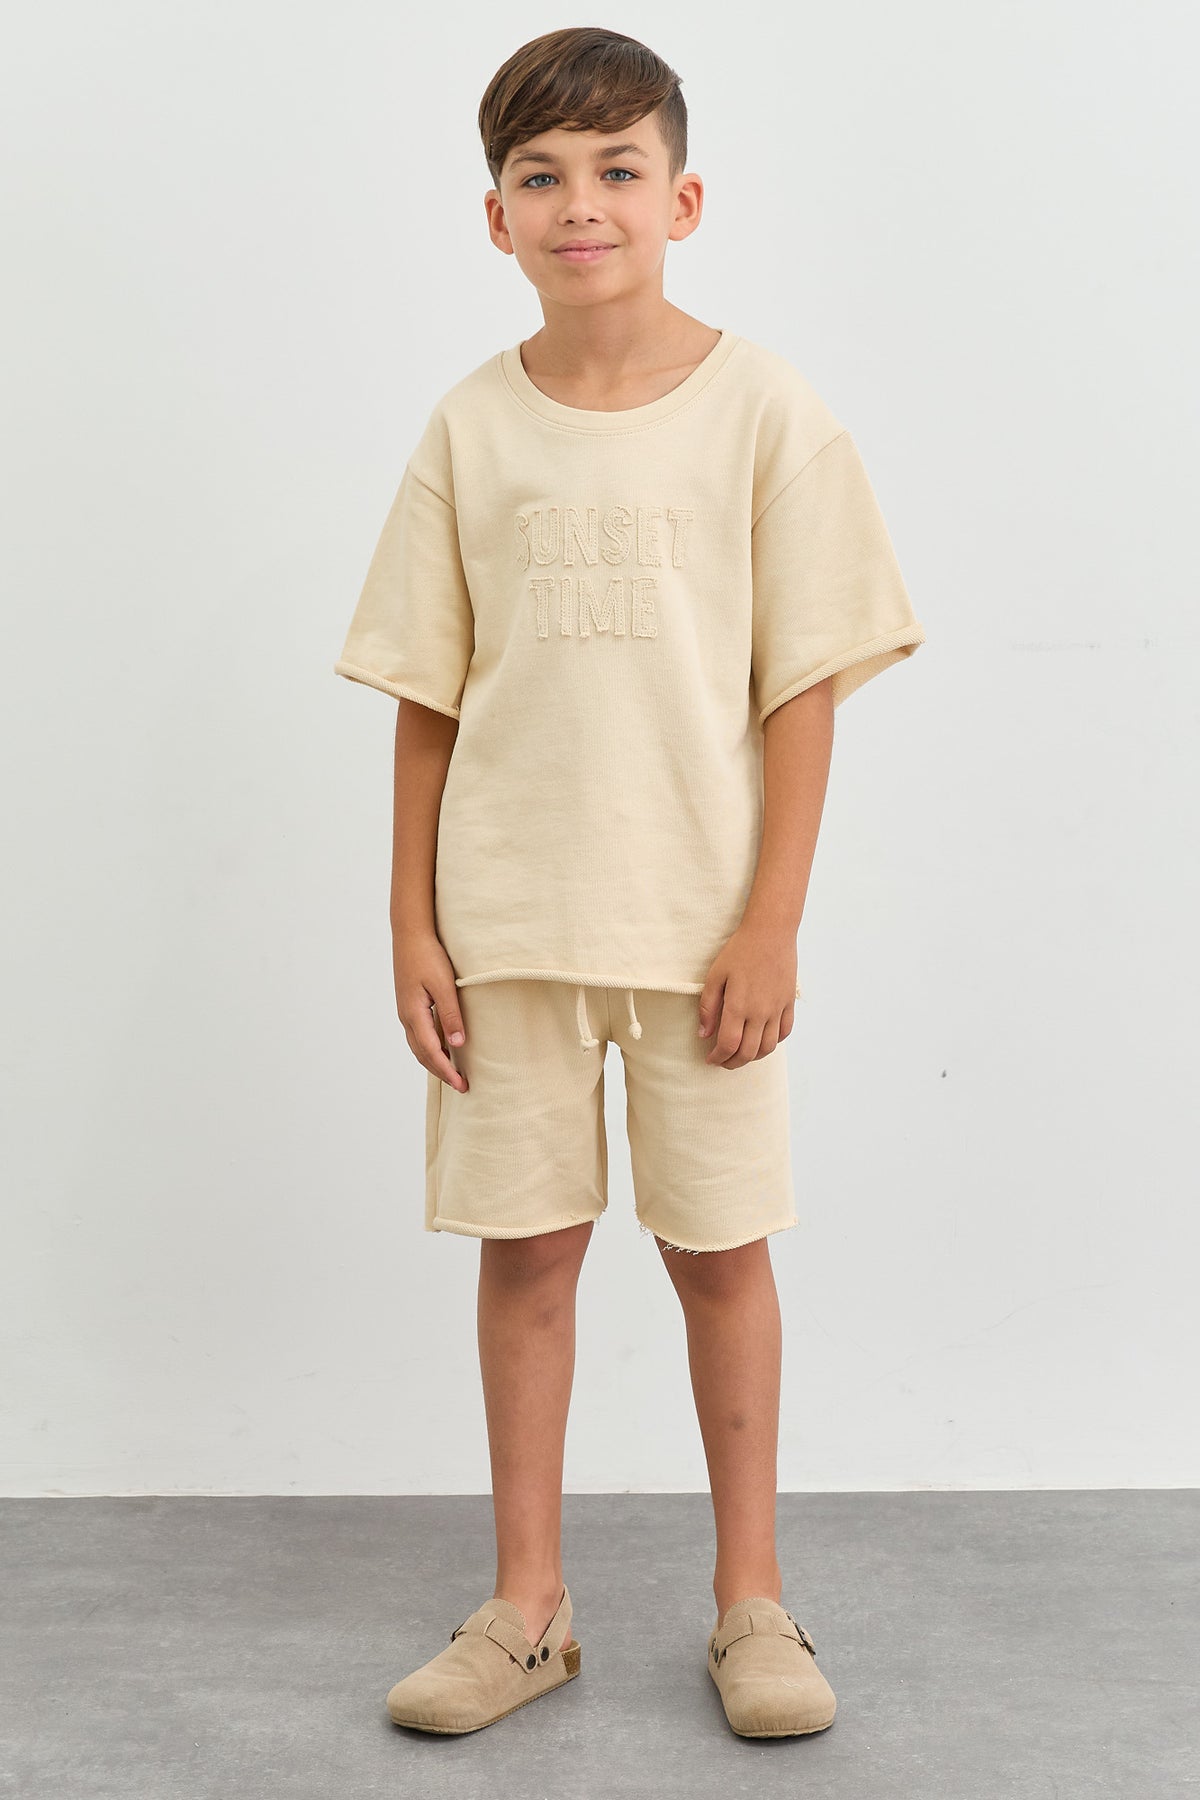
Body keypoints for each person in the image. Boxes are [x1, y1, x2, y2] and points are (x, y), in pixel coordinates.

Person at [333, 24, 925, 1739]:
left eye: (615, 170)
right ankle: (527, 1610)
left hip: (700, 932)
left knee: (720, 1251)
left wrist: (772, 920)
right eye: (541, 176)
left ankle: (756, 1606)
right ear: (495, 217)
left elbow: (801, 685)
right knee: (527, 1254)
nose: (579, 204)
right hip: (508, 926)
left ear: (684, 197)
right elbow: (429, 694)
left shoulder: (765, 412)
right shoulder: (471, 427)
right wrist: (410, 920)